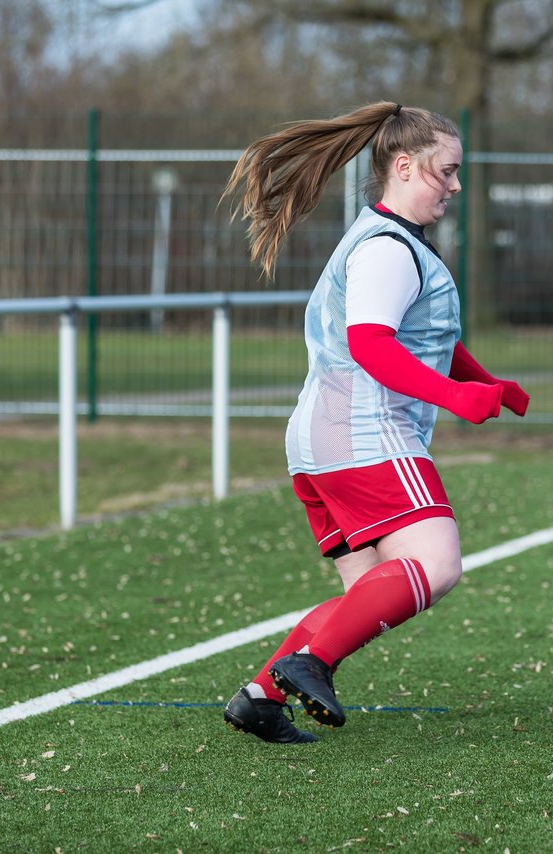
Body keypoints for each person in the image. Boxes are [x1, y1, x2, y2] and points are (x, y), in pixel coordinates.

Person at [220, 101, 530, 743]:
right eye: (447, 171)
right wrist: (452, 396)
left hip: (322, 439)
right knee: (436, 562)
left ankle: (260, 697)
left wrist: (482, 382)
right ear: (406, 165)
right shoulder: (387, 248)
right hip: (364, 433)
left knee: (365, 593)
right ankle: (310, 663)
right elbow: (371, 344)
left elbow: (419, 334)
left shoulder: (386, 241)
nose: (456, 184)